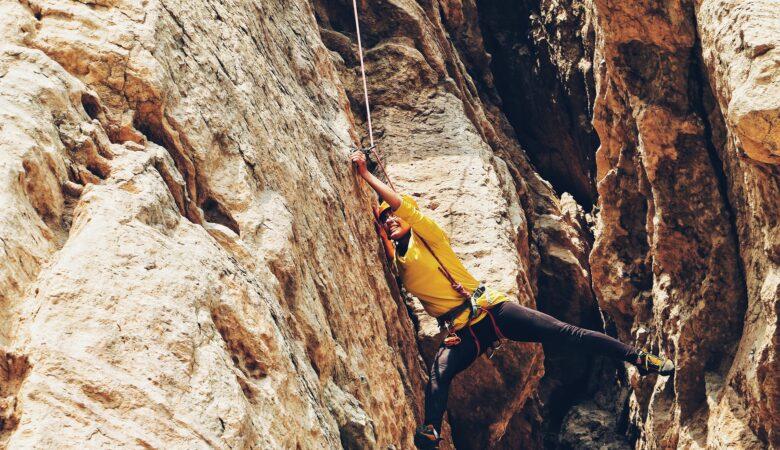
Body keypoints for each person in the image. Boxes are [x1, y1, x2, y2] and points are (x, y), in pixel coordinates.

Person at [349, 151, 674, 449]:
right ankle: (430, 431)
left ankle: (639, 358)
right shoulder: (399, 260)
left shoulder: (429, 234)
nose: (390, 219)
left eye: (392, 214)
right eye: (384, 219)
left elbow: (400, 206)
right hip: (463, 331)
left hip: (491, 310)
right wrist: (378, 216)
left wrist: (366, 173)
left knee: (566, 334)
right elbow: (387, 231)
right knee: (439, 375)